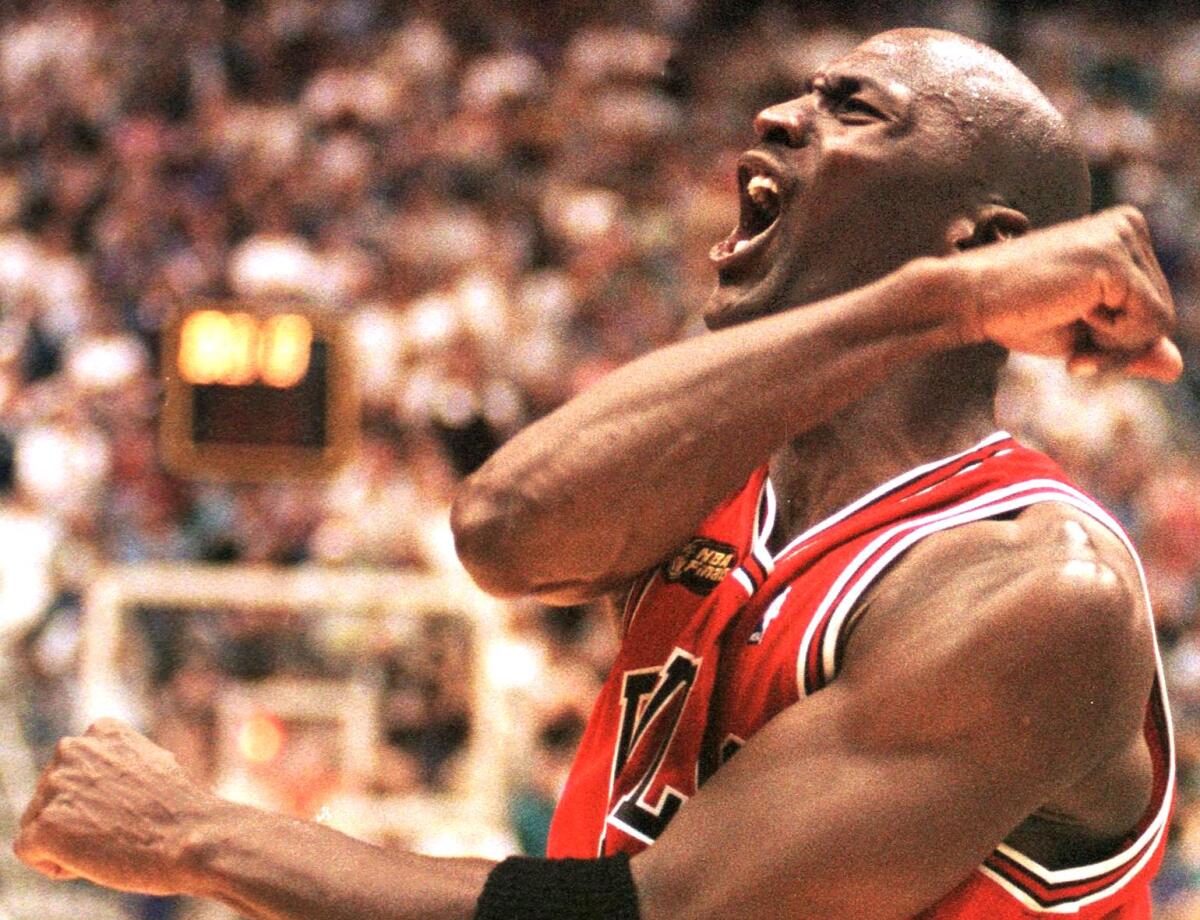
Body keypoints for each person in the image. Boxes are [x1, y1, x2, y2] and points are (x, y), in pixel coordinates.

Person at [12, 27, 1180, 920]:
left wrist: (196, 831)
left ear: (983, 243)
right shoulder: (723, 475)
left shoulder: (1038, 586)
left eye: (853, 109)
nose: (777, 115)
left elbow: (658, 910)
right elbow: (504, 531)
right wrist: (933, 304)